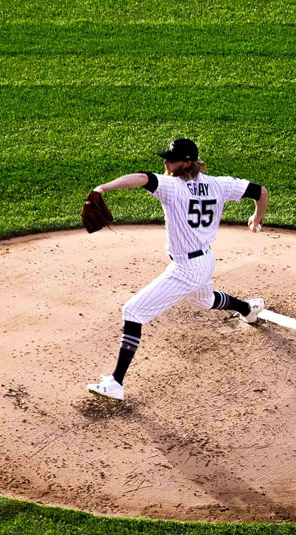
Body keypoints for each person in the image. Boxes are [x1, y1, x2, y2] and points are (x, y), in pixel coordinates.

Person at [85, 137, 269, 400]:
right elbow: (261, 192)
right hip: (205, 261)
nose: (165, 163)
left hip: (186, 268)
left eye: (170, 160)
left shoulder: (171, 187)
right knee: (204, 301)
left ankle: (116, 382)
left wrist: (102, 188)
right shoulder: (220, 184)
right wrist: (257, 217)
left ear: (185, 163)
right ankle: (247, 309)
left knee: (133, 311)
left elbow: (142, 178)